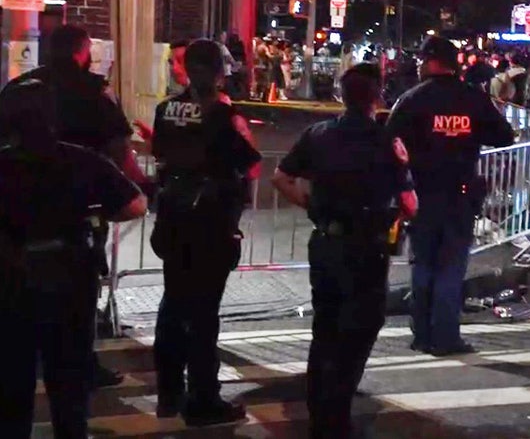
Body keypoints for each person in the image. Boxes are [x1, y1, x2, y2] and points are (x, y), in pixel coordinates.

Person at [272, 64, 419, 438]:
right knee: (359, 329)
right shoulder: (387, 140)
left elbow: (281, 177)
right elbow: (410, 202)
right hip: (366, 248)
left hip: (326, 242)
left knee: (326, 326)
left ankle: (319, 406)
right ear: (377, 96)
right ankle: (334, 415)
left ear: (341, 95)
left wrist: (311, 206)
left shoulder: (318, 134)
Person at [0, 80, 148, 439]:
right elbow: (135, 203)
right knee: (68, 381)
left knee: (12, 381)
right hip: (69, 282)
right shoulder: (80, 159)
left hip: (10, 284)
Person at [150, 40, 261, 426]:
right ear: (219, 72)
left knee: (172, 305)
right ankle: (203, 400)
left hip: (172, 221)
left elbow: (161, 153)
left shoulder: (166, 110)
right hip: (210, 224)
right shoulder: (222, 115)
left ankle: (168, 392)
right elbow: (250, 164)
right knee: (202, 315)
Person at [386, 36, 514, 356]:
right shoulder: (473, 99)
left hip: (422, 195)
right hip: (459, 195)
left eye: (422, 59)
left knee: (424, 265)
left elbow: (386, 142)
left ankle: (422, 335)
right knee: (451, 267)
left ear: (433, 62)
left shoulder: (412, 100)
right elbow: (503, 136)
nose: (418, 65)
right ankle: (445, 336)